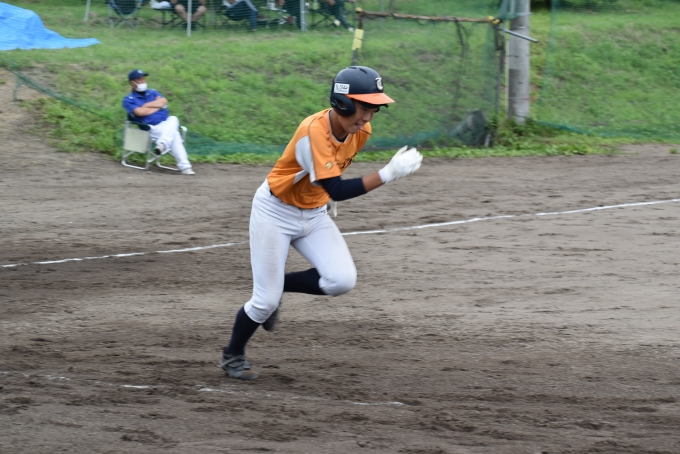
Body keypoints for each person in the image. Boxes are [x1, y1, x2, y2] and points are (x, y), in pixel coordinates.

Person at [219, 66, 423, 380]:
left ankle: (280, 285)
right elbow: (337, 188)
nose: (368, 117)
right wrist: (388, 174)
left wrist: (324, 195)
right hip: (275, 213)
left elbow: (331, 177)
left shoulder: (360, 131)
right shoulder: (313, 131)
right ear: (343, 102)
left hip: (314, 213)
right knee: (264, 302)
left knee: (341, 280)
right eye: (364, 107)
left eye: (374, 109)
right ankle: (233, 354)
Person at [122, 69, 195, 175]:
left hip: (165, 125)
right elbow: (140, 112)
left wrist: (146, 106)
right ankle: (185, 167)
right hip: (151, 128)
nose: (143, 81)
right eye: (140, 80)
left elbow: (164, 101)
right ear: (132, 83)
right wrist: (157, 106)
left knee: (173, 119)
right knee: (174, 133)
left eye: (144, 79)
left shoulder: (152, 92)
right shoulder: (129, 99)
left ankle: (163, 144)